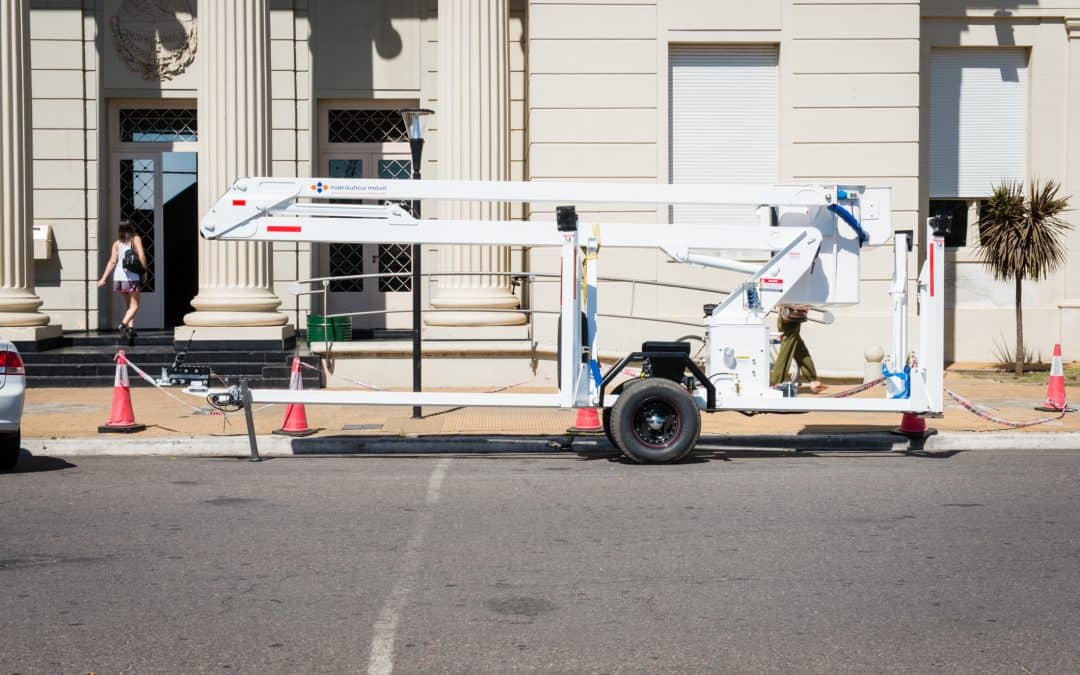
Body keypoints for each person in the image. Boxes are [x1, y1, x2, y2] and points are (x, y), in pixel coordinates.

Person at [97, 220, 148, 345]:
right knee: (135, 306)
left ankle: (131, 329)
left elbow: (112, 261)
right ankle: (123, 325)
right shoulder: (135, 239)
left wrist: (103, 278)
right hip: (131, 277)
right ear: (132, 227)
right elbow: (141, 255)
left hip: (119, 278)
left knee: (129, 305)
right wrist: (144, 272)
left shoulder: (117, 243)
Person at [769, 304, 827, 394]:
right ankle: (775, 382)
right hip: (790, 315)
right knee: (787, 349)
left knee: (798, 348)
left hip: (790, 315)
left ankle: (813, 380)